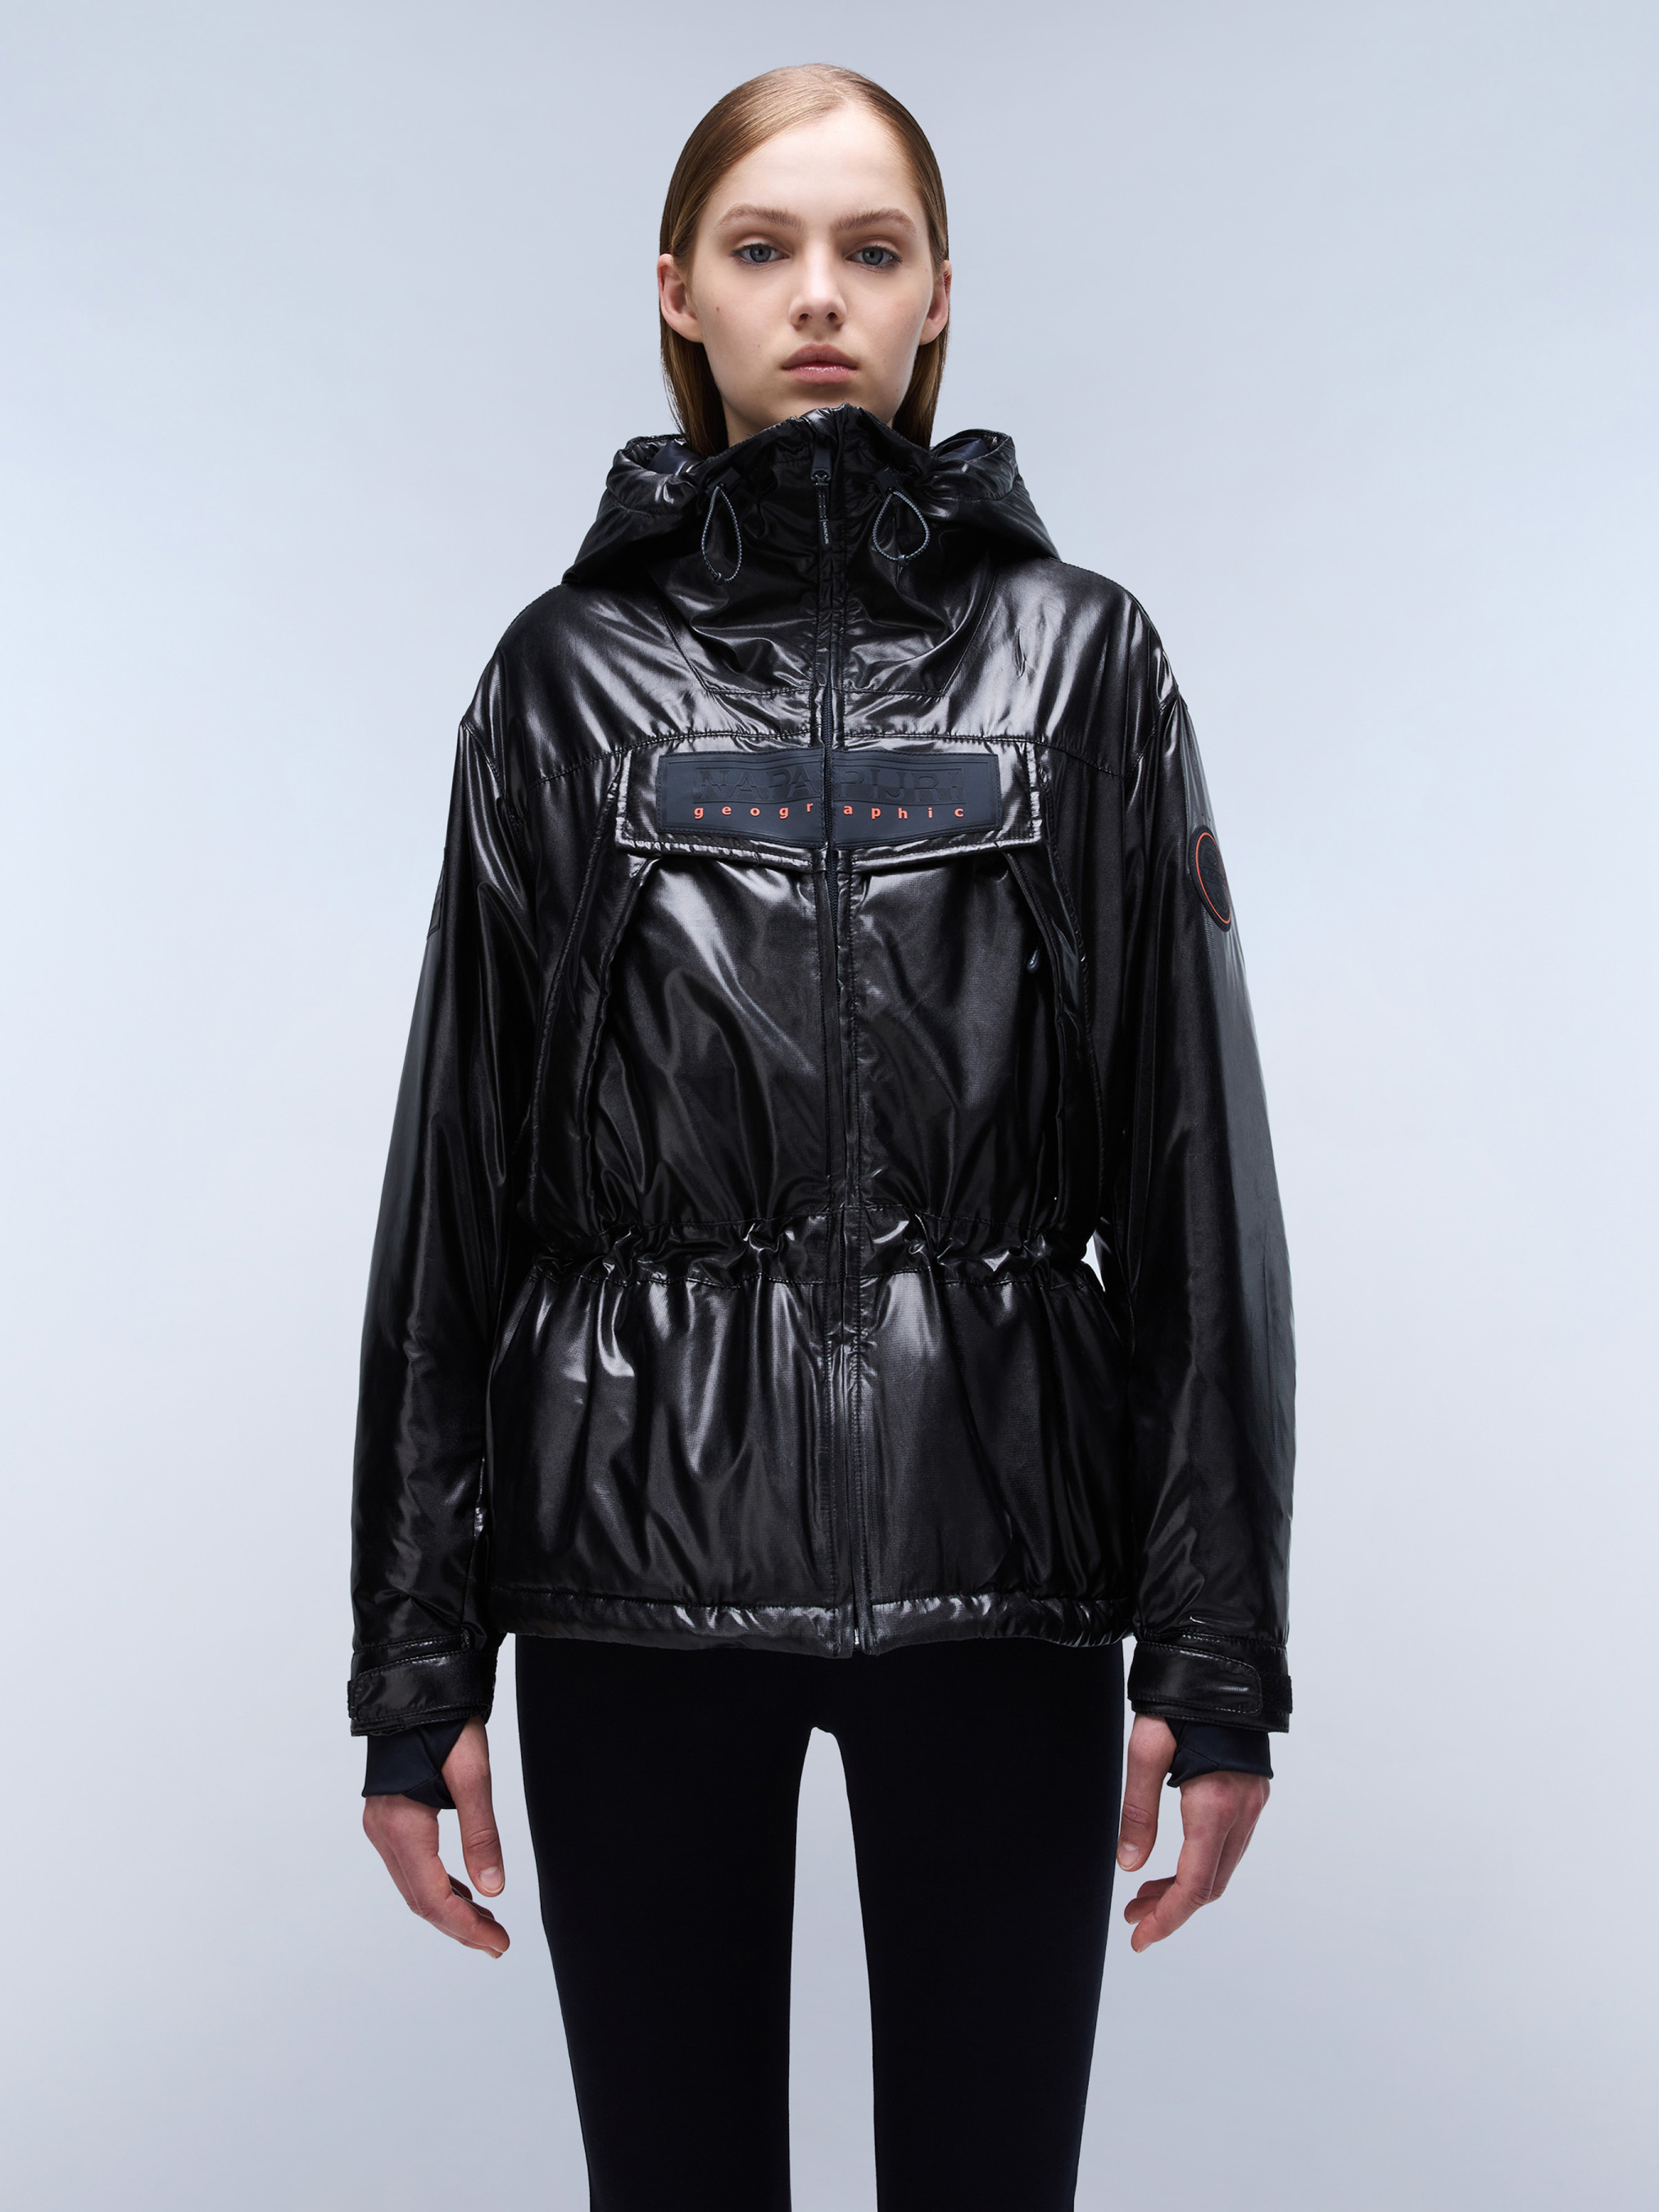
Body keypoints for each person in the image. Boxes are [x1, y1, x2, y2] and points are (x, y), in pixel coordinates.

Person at [351, 62, 1294, 2212]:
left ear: (938, 293)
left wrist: (1217, 1660)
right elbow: (451, 1196)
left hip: (1001, 1566)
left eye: (870, 250)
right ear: (675, 290)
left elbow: (1192, 1179)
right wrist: (417, 1670)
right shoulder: (562, 681)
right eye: (762, 247)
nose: (816, 297)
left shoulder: (1082, 663)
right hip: (630, 1578)